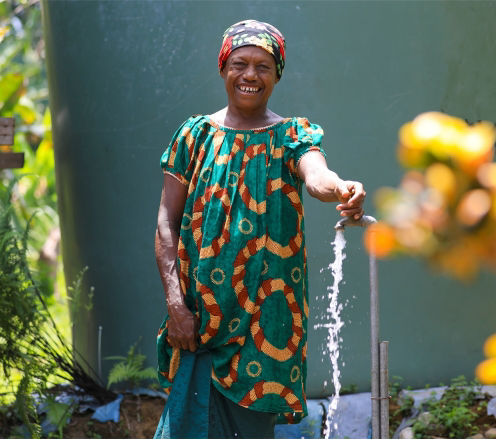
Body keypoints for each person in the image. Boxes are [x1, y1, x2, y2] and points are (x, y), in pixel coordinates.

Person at [153, 19, 366, 439]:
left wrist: (342, 188)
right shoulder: (195, 136)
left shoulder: (291, 136)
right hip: (199, 320)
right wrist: (176, 304)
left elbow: (317, 176)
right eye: (240, 64)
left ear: (277, 75)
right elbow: (165, 223)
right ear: (223, 68)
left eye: (263, 66)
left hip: (265, 323)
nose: (250, 75)